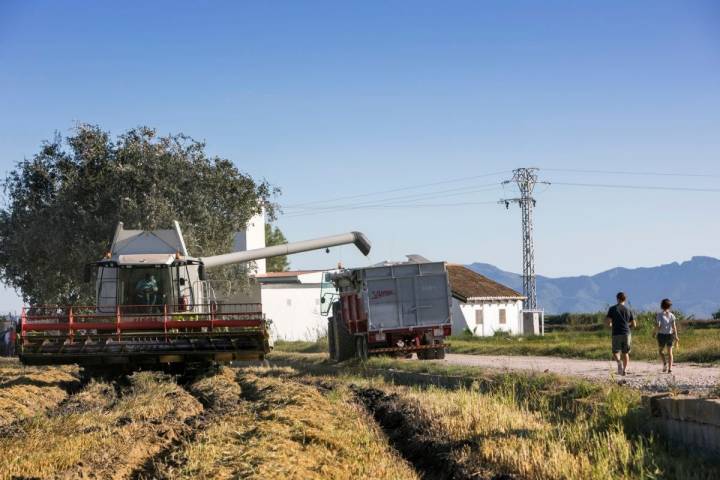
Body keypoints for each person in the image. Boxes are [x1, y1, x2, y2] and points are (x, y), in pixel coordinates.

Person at [605, 291, 636, 376]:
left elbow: (608, 323)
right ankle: (624, 370)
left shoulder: (612, 309)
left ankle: (619, 363)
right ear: (625, 299)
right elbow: (634, 324)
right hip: (626, 333)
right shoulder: (628, 310)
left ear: (617, 299)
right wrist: (627, 326)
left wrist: (611, 325)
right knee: (625, 353)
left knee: (615, 351)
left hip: (616, 333)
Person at [654, 298, 679, 373]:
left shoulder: (659, 315)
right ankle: (670, 369)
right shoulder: (672, 315)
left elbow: (658, 325)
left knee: (661, 351)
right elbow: (674, 327)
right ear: (670, 306)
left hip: (661, 335)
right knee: (670, 352)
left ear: (661, 306)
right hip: (670, 335)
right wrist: (676, 336)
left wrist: (654, 332)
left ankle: (665, 363)